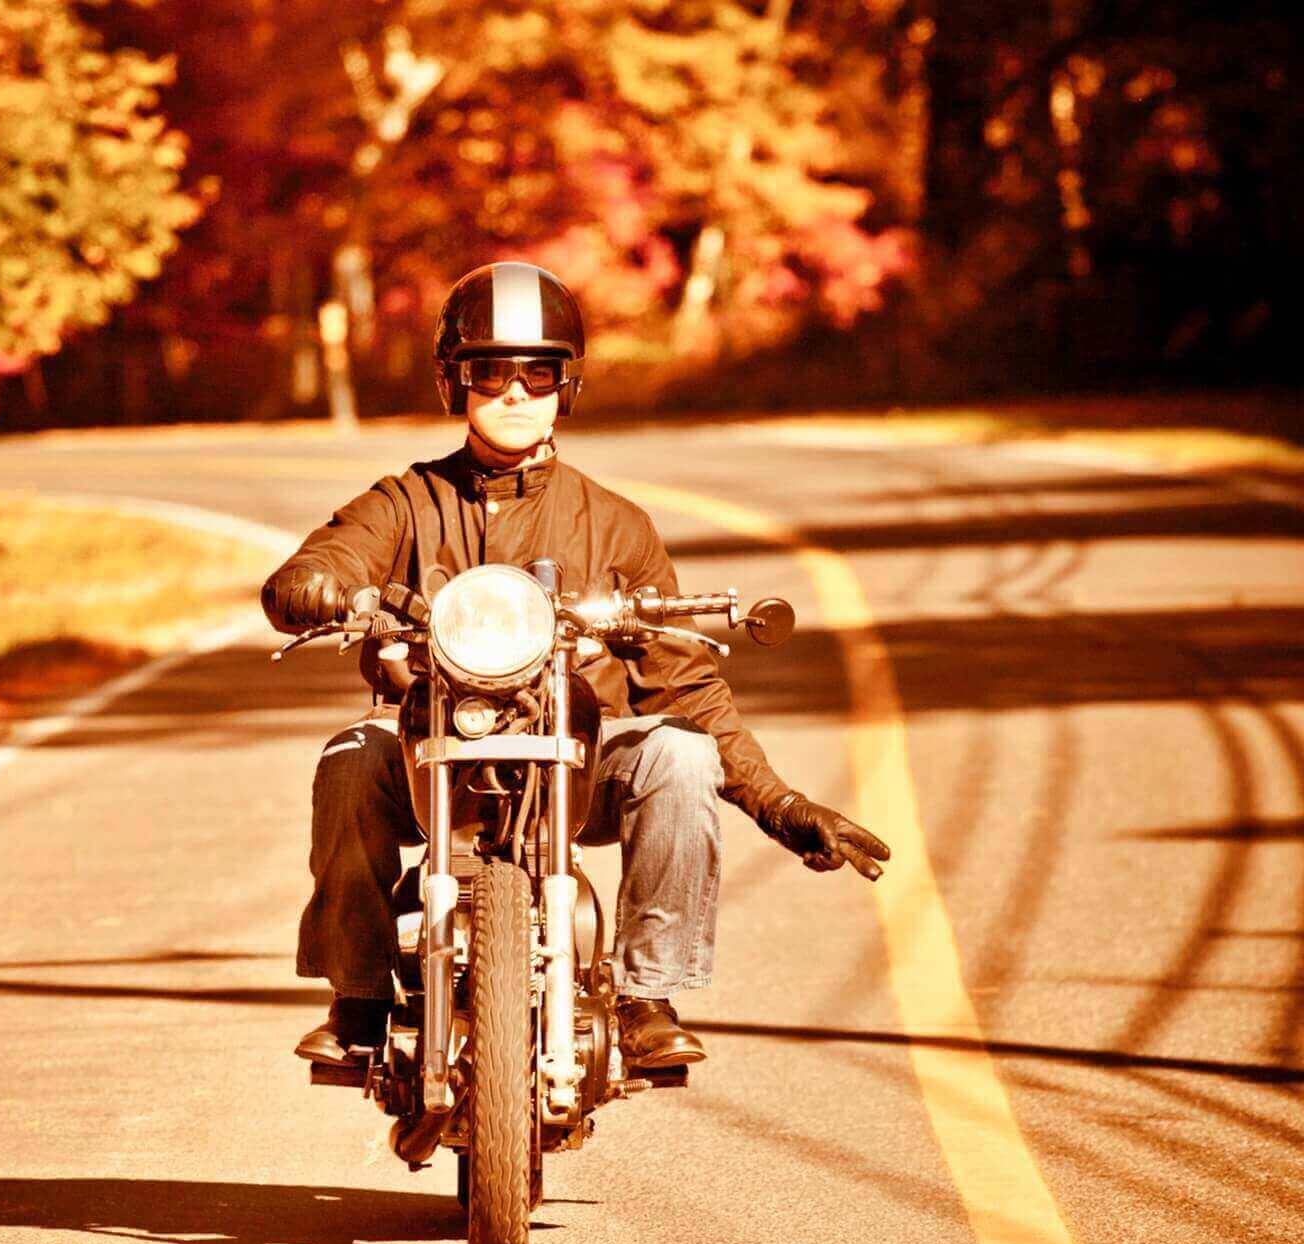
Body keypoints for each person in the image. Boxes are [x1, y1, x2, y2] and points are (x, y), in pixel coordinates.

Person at [261, 261, 890, 1072]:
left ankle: (647, 997)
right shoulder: (404, 502)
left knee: (679, 752)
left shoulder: (616, 525)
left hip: (577, 763)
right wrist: (314, 587)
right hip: (430, 759)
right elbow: (314, 566)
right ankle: (358, 1001)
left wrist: (784, 805)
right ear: (455, 382)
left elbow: (687, 685)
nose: (516, 391)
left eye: (539, 371)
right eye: (491, 371)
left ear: (567, 385)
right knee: (351, 755)